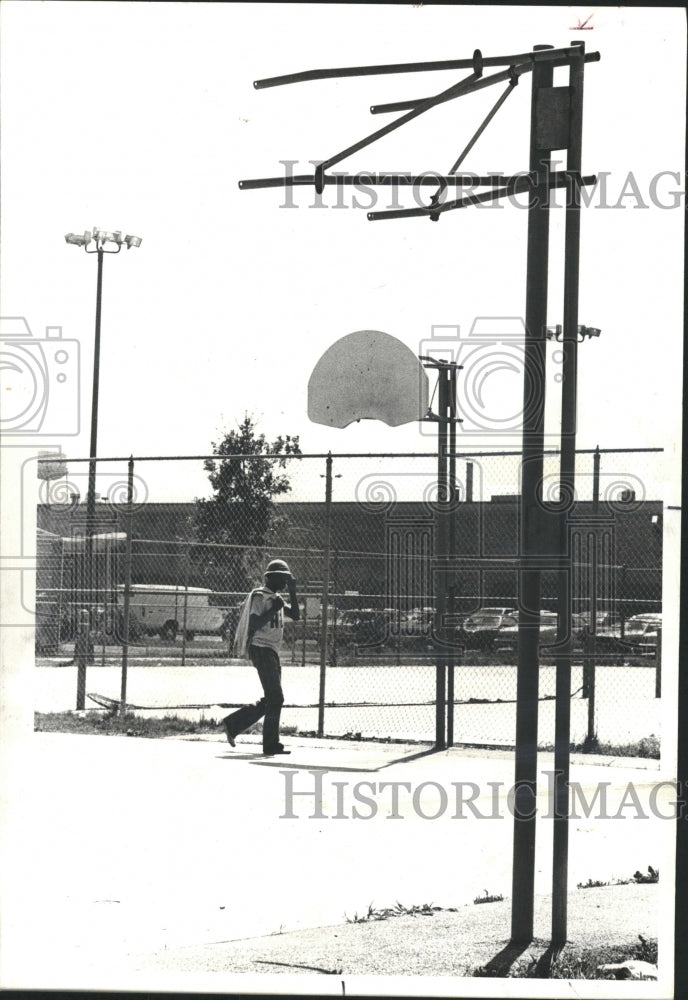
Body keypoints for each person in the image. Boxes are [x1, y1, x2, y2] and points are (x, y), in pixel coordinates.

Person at [221, 559, 300, 756]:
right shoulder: (261, 597)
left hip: (271, 651)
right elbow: (254, 623)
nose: (284, 581)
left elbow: (296, 615)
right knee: (276, 697)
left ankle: (233, 724)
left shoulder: (276, 597)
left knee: (272, 699)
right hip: (261, 649)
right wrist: (275, 608)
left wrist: (292, 590)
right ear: (270, 578)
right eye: (282, 578)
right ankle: (270, 744)